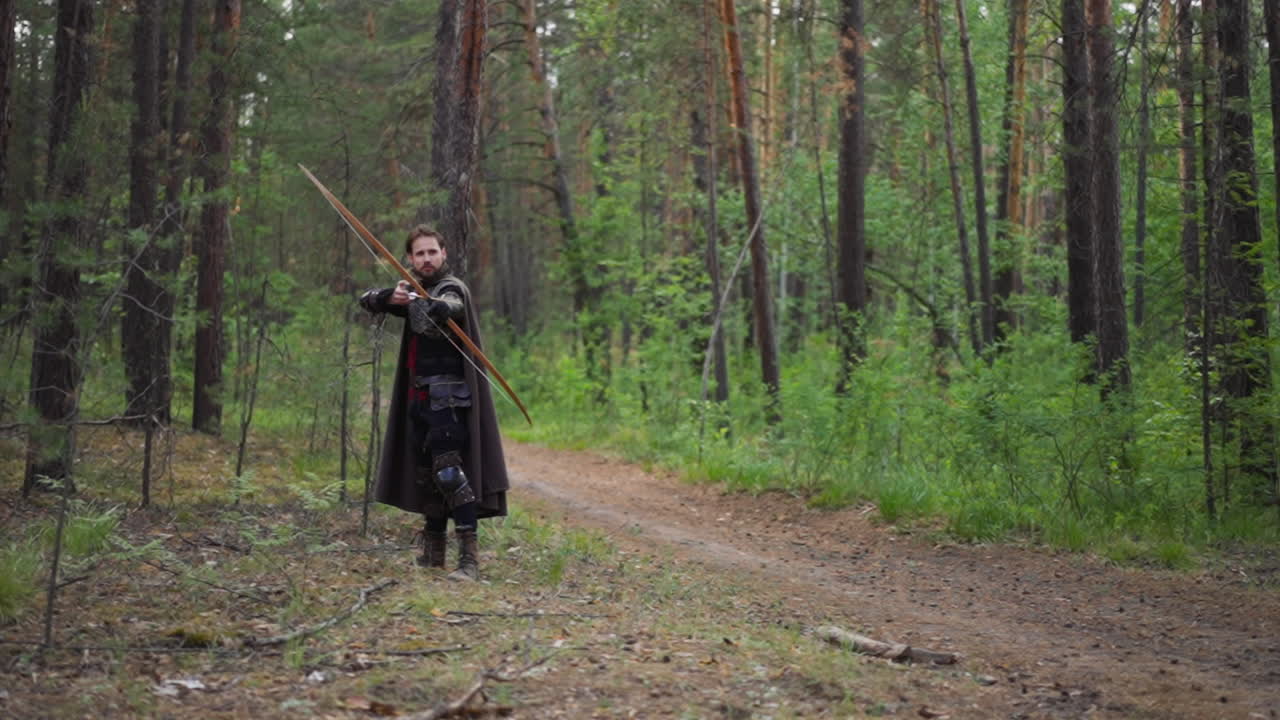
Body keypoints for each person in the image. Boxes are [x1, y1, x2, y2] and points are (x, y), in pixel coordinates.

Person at [358, 225, 509, 581]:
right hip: (419, 398)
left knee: (450, 473)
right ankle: (434, 553)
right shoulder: (409, 290)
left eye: (432, 252)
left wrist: (430, 304)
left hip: (450, 400)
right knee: (428, 475)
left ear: (444, 254)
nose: (426, 259)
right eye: (419, 254)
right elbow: (366, 299)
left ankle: (469, 561)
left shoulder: (451, 287)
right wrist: (388, 297)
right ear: (410, 258)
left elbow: (447, 308)